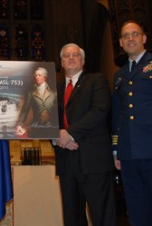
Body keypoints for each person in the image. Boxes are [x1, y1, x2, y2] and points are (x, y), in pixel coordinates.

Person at [54, 43, 116, 226]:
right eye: (66, 55)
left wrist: (70, 134)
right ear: (62, 62)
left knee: (102, 216)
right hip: (66, 160)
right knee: (72, 217)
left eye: (75, 55)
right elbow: (46, 120)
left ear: (83, 61)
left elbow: (99, 110)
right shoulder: (53, 89)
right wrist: (57, 137)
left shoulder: (97, 80)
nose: (71, 57)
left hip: (93, 160)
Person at [112, 20, 152, 226]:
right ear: (120, 42)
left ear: (144, 38)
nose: (130, 38)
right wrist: (116, 149)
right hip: (128, 153)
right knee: (136, 210)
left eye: (135, 34)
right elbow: (117, 115)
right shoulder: (119, 76)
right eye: (126, 36)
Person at [16, 67, 57, 138]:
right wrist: (19, 124)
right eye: (36, 75)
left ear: (45, 77)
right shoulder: (31, 93)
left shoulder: (54, 93)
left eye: (39, 75)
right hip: (36, 129)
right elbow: (25, 110)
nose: (37, 77)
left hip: (52, 129)